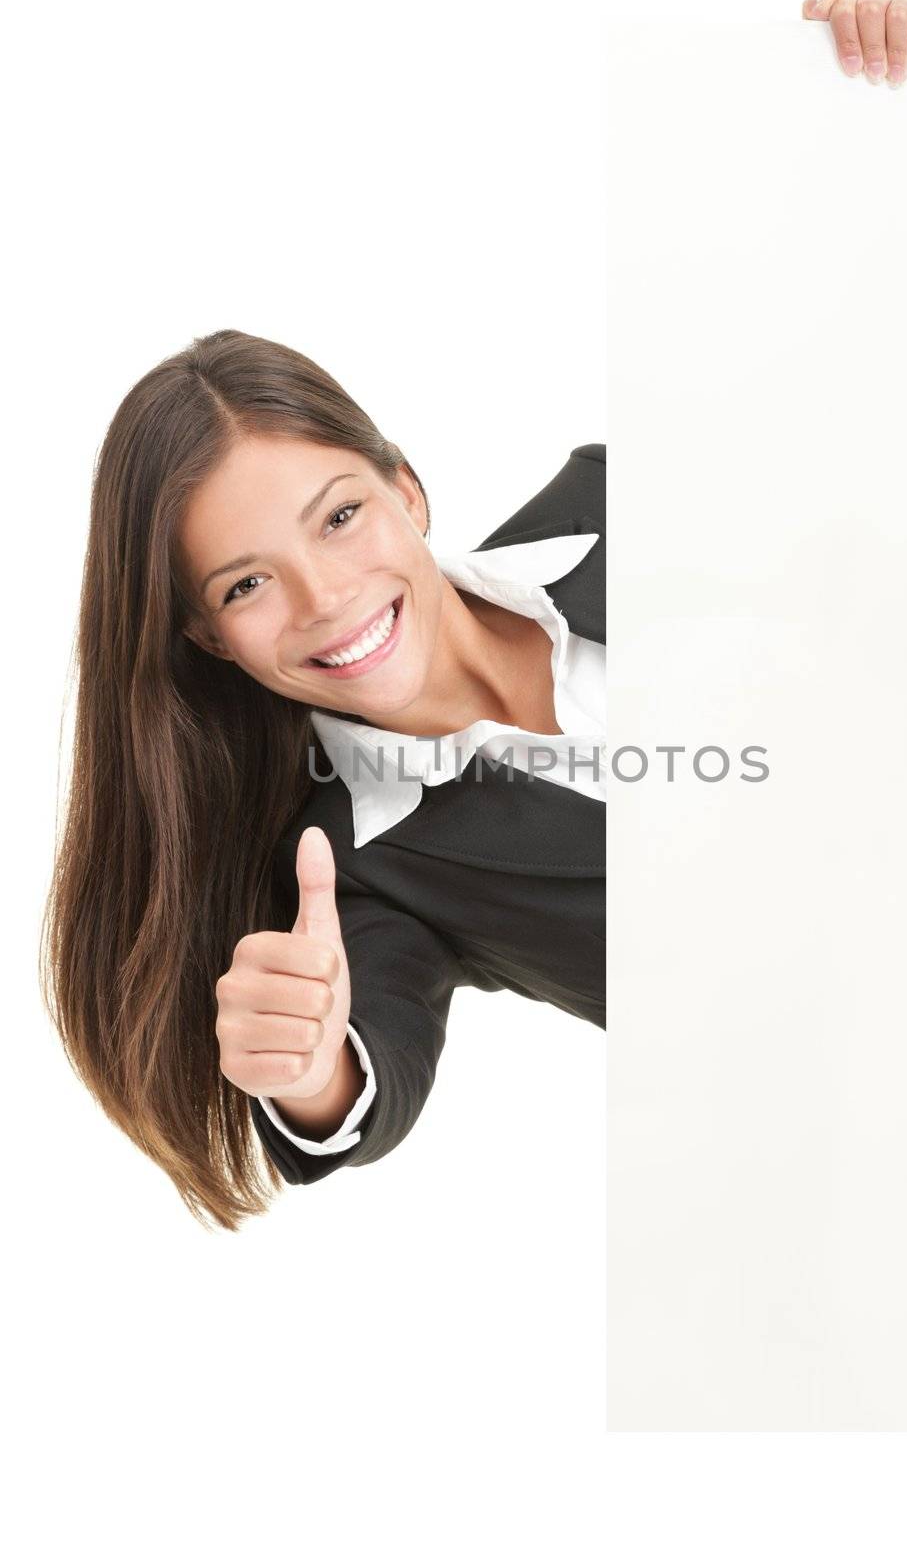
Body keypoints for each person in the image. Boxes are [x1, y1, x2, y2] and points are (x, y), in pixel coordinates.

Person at [39, 328, 605, 1231]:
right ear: (211, 638)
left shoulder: (616, 496)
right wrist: (308, 1069)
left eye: (340, 518)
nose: (326, 598)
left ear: (405, 490)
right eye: (247, 584)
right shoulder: (351, 867)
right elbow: (365, 1059)